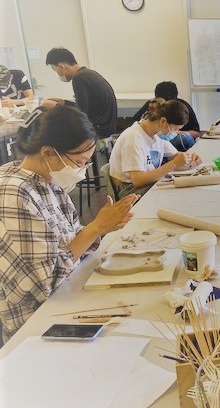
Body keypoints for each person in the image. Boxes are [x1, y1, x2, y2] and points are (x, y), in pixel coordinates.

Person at [0, 106, 137, 342]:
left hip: (66, 293)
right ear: (47, 152)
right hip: (36, 326)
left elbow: (73, 243)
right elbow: (46, 283)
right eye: (79, 162)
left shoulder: (48, 181)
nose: (83, 170)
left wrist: (100, 228)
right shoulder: (15, 192)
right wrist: (96, 228)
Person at [109, 99, 202, 197]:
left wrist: (190, 158)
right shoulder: (133, 139)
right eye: (175, 129)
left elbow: (176, 155)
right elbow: (138, 180)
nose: (175, 133)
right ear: (163, 121)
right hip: (130, 189)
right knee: (176, 194)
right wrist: (173, 164)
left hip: (146, 183)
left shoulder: (156, 135)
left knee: (184, 187)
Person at [42, 48, 117, 140]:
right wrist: (64, 102)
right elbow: (84, 106)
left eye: (55, 69)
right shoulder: (87, 73)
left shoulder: (79, 78)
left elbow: (80, 112)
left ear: (61, 67)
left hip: (99, 130)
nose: (57, 74)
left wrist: (56, 106)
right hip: (106, 126)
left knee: (53, 132)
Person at [133, 81, 201, 151]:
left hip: (167, 141)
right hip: (151, 141)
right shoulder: (153, 104)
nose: (163, 107)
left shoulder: (181, 109)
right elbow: (137, 121)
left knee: (185, 138)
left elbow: (197, 133)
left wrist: (175, 132)